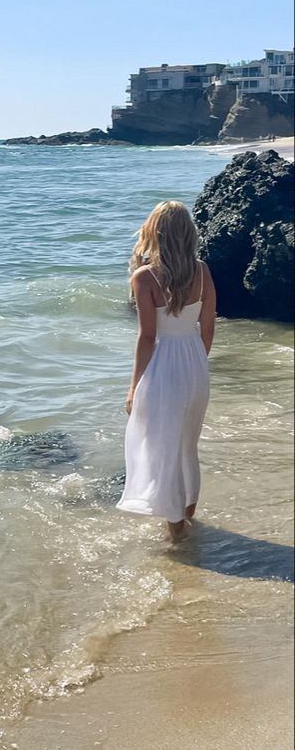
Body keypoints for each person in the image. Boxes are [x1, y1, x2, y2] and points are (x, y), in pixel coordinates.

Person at [116, 201, 216, 542]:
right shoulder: (202, 271)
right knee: (188, 445)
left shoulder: (144, 276)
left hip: (163, 367)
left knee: (163, 446)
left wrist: (133, 388)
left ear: (153, 232)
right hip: (195, 365)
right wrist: (197, 363)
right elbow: (208, 328)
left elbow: (147, 336)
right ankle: (188, 514)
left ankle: (176, 531)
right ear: (188, 233)